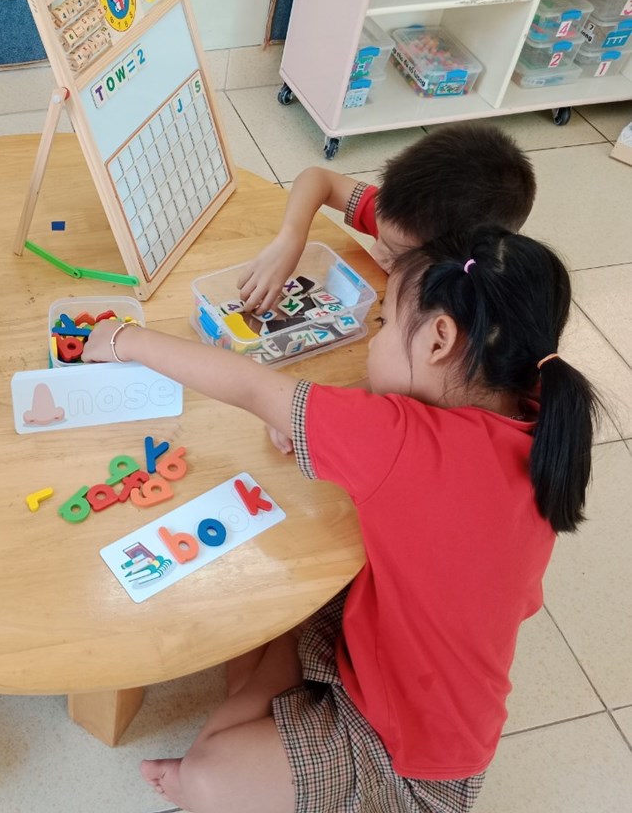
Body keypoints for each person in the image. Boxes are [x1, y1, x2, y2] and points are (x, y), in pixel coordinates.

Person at [82, 226, 597, 813]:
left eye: (383, 323)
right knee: (262, 617)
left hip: (410, 770)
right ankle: (280, 688)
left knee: (206, 775)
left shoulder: (402, 441)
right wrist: (327, 411)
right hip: (405, 673)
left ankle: (262, 710)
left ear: (439, 340)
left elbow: (252, 387)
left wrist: (124, 339)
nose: (373, 340)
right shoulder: (536, 412)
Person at [237, 124, 536, 314]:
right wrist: (290, 238)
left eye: (394, 254)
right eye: (380, 236)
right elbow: (318, 179)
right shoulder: (404, 215)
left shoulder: (466, 299)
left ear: (453, 261)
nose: (376, 253)